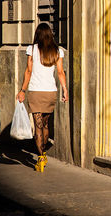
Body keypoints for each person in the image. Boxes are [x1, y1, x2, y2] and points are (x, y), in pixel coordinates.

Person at [16, 23, 68, 172]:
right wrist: (65, 90)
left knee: (38, 126)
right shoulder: (57, 51)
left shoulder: (32, 49)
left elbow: (28, 71)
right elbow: (60, 72)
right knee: (45, 125)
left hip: (35, 92)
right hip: (50, 92)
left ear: (37, 34)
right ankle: (43, 153)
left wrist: (22, 90)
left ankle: (41, 155)